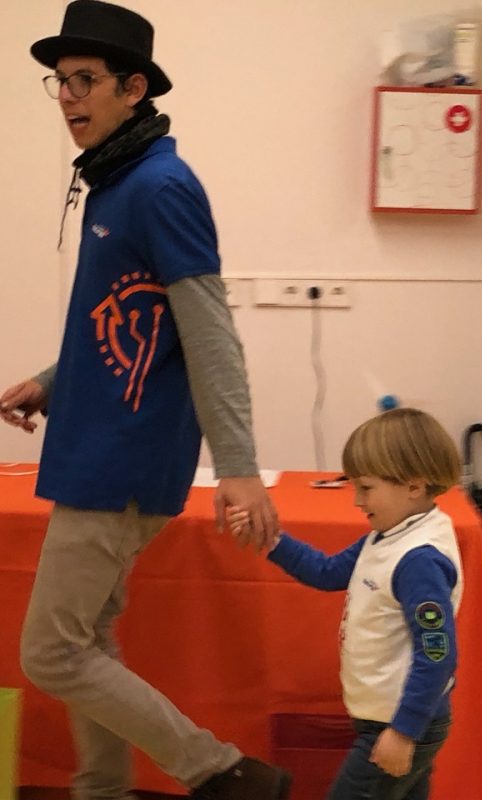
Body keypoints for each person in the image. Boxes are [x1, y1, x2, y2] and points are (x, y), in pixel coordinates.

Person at [0, 1, 291, 798]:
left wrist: (239, 468)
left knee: (51, 653)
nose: (67, 97)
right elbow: (129, 322)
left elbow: (209, 334)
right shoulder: (113, 182)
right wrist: (52, 382)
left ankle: (223, 772)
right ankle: (103, 790)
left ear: (134, 89)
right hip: (95, 449)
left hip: (119, 462)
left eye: (85, 80)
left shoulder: (160, 187)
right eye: (59, 82)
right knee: (87, 640)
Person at [230, 407, 463, 800]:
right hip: (389, 719)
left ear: (414, 486)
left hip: (400, 723)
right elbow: (327, 571)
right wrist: (271, 540)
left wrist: (403, 731)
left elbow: (437, 654)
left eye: (366, 488)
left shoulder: (418, 560)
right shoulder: (388, 535)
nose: (356, 500)